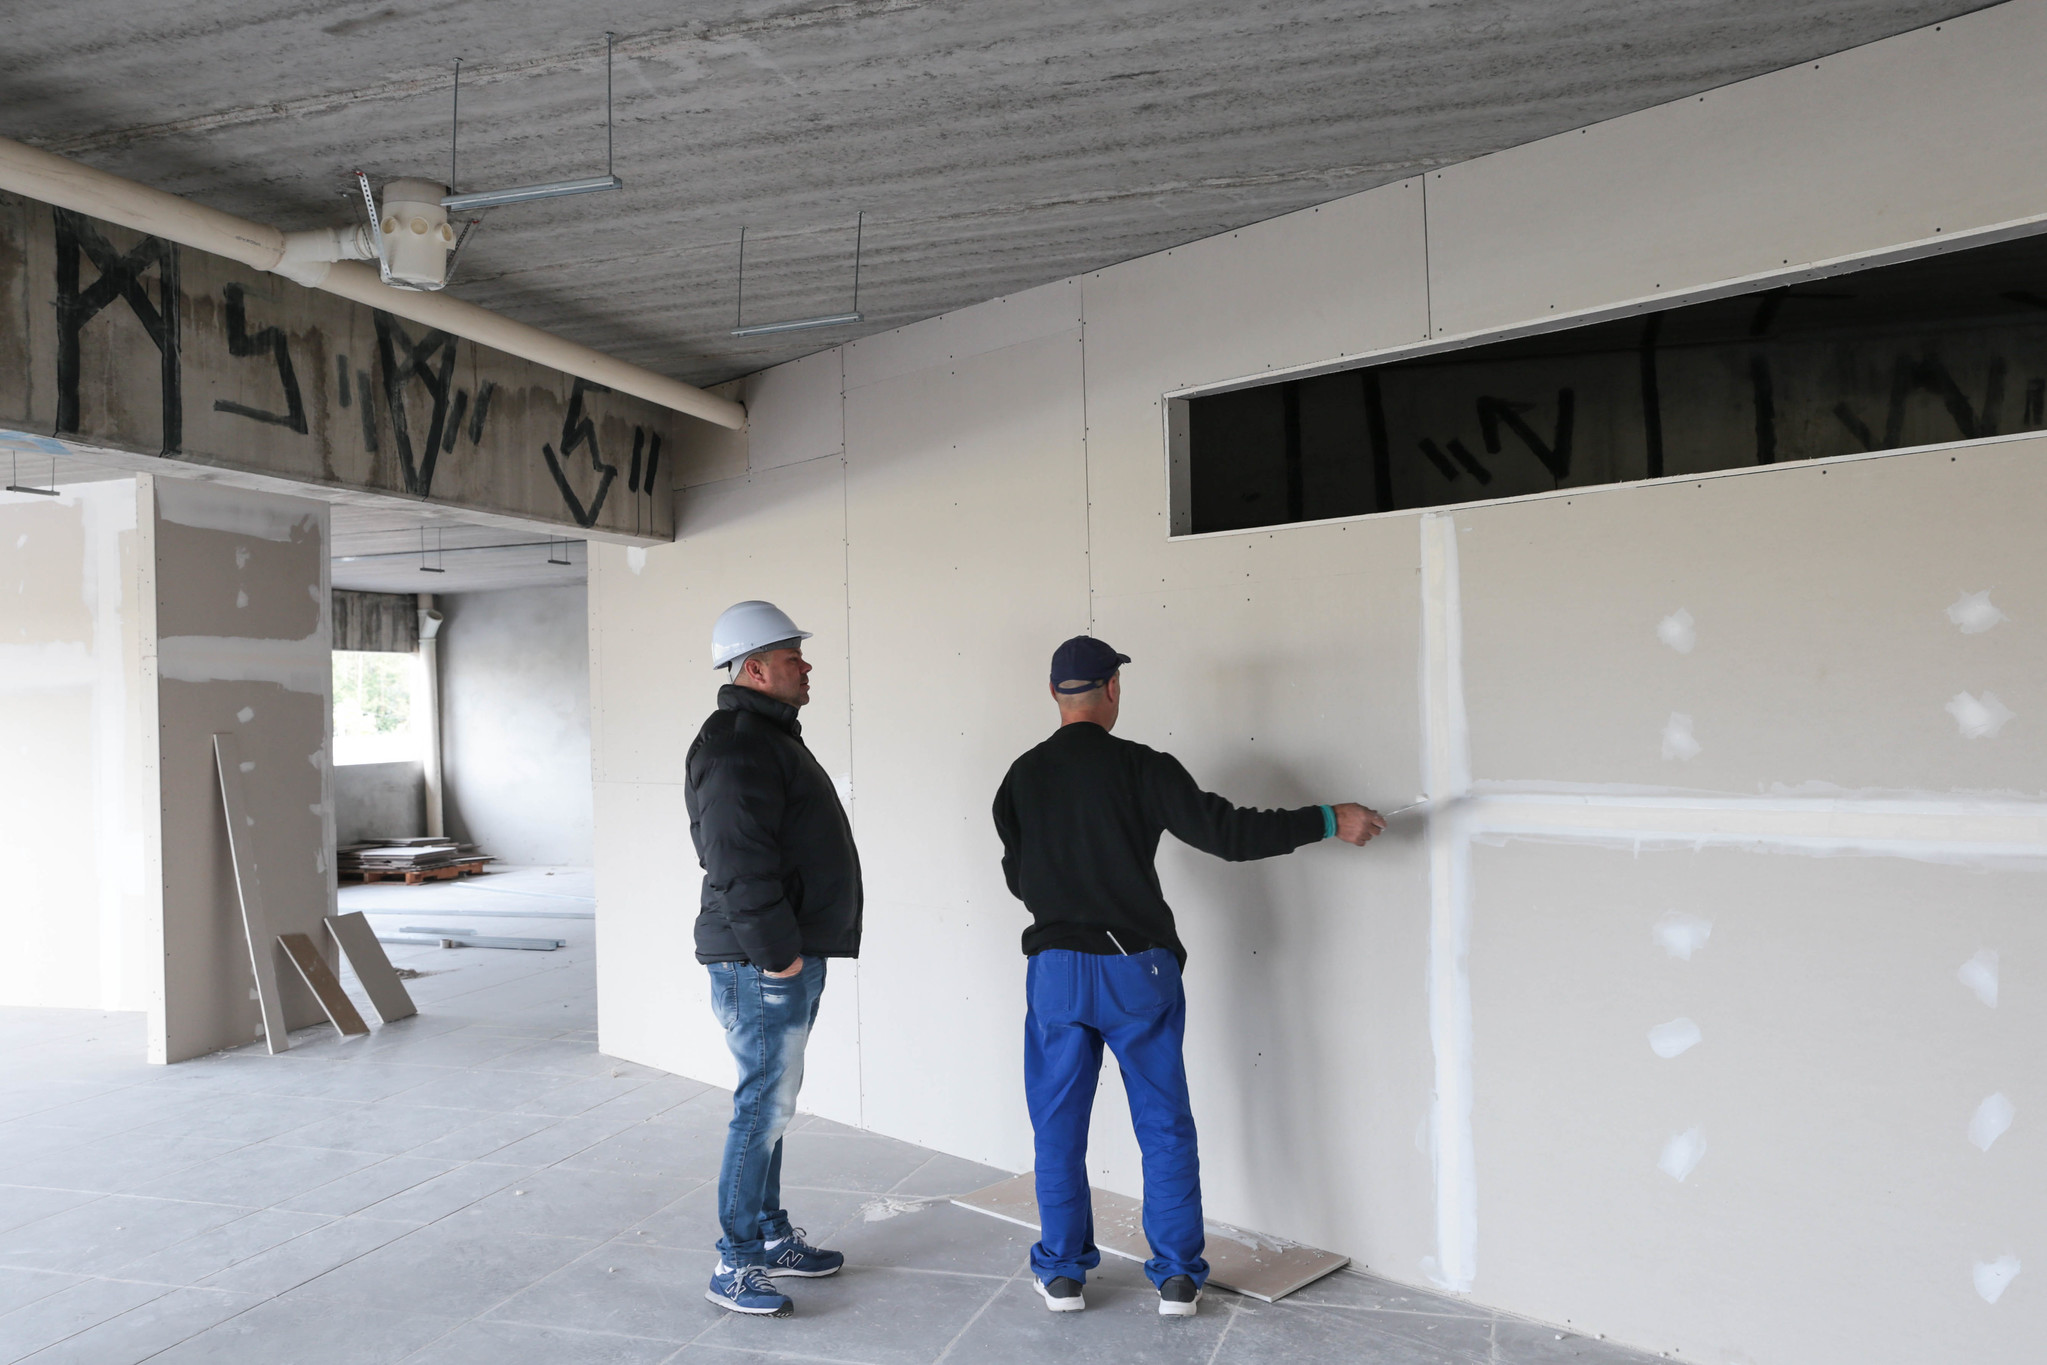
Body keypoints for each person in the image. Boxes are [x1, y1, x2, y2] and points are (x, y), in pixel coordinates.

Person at [991, 635, 1385, 1317]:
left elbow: (1017, 875)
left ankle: (1061, 1274)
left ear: (1054, 693)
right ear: (1112, 687)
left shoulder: (1020, 776)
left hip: (1054, 968)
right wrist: (1328, 817)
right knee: (1163, 1122)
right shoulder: (1142, 767)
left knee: (1057, 1126)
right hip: (1134, 967)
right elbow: (1226, 834)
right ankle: (1176, 1276)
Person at [687, 600, 863, 1318]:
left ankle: (768, 1232)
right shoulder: (736, 745)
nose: (806, 664)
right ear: (755, 668)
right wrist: (778, 956)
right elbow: (734, 859)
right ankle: (734, 1262)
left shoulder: (765, 736)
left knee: (773, 1105)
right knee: (760, 1105)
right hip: (761, 961)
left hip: (781, 952)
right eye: (794, 656)